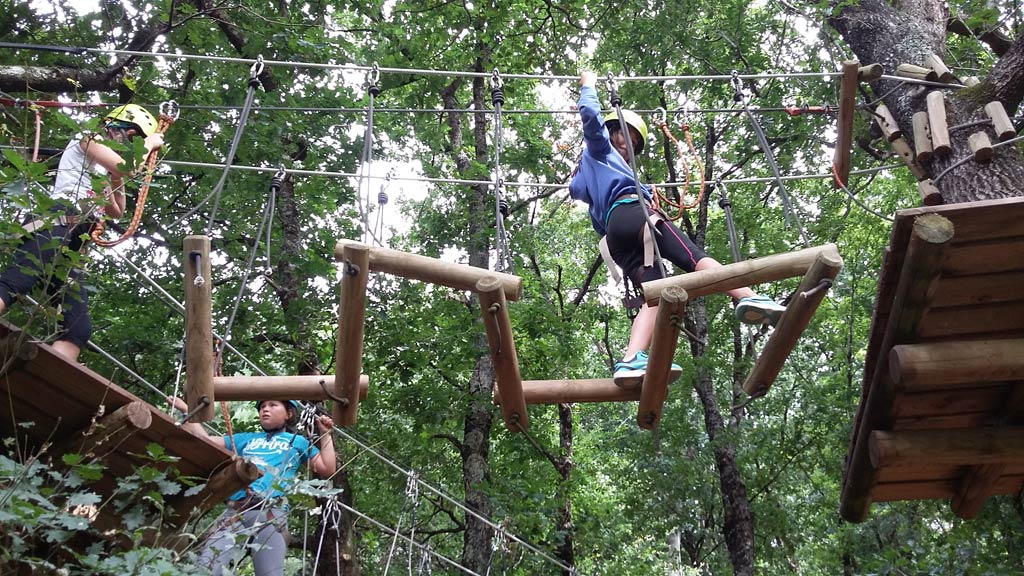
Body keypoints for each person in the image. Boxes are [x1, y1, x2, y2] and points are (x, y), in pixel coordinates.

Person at [569, 71, 786, 387]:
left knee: (655, 297)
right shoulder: (600, 149)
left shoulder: (593, 173)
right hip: (633, 215)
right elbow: (590, 115)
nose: (628, 148)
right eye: (626, 138)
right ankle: (748, 297)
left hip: (616, 239)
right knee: (693, 256)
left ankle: (631, 360)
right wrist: (588, 84)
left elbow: (578, 189)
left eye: (634, 145)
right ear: (612, 131)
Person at [0, 103, 164, 362]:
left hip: (76, 239)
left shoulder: (105, 167)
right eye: (133, 140)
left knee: (78, 328)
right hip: (56, 220)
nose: (131, 146)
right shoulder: (88, 137)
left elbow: (117, 210)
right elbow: (128, 167)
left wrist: (115, 176)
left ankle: (48, 377)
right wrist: (150, 143)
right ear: (124, 131)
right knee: (17, 282)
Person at [173, 397, 337, 576]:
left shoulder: (298, 442)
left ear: (289, 413)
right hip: (236, 511)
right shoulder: (246, 439)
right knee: (206, 568)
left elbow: (327, 468)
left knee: (270, 573)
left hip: (271, 511)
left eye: (273, 405)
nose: (265, 409)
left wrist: (325, 434)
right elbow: (206, 441)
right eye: (262, 406)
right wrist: (186, 411)